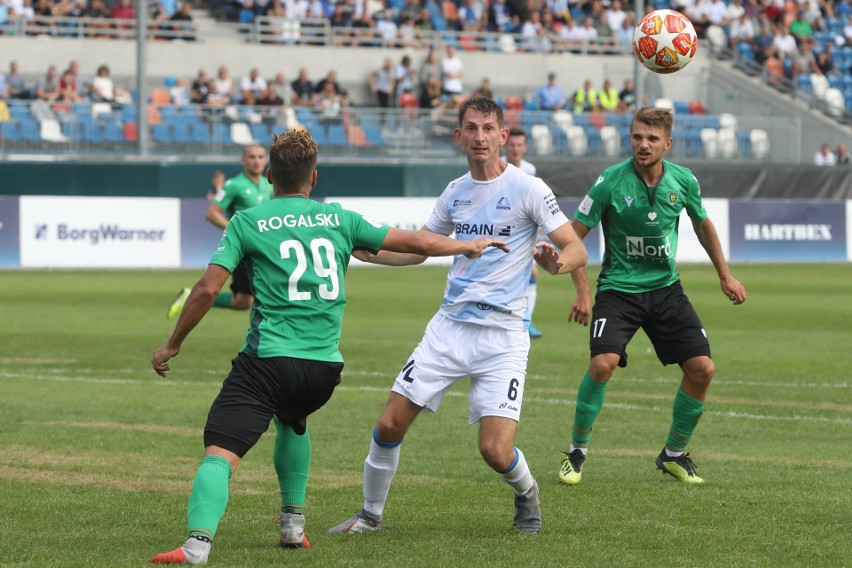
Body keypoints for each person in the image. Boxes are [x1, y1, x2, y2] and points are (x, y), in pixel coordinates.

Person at [148, 129, 508, 566]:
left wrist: (172, 343)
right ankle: (293, 528)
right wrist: (465, 245)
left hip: (269, 361)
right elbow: (415, 241)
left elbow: (207, 289)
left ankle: (196, 546)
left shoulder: (248, 221)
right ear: (314, 178)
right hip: (323, 370)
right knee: (293, 420)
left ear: (271, 177)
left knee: (220, 447)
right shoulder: (339, 218)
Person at [327, 97, 588, 536]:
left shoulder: (528, 188)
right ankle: (370, 516)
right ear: (459, 136)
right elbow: (420, 249)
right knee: (389, 422)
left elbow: (576, 247)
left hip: (503, 336)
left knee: (494, 450)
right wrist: (362, 252)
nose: (480, 137)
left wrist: (556, 265)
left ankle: (527, 494)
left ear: (503, 136)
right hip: (448, 330)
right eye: (472, 128)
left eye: (489, 128)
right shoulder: (455, 191)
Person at [555, 106, 747, 488]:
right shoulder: (610, 181)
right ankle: (576, 453)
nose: (643, 145)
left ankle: (673, 455)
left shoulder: (683, 180)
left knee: (702, 369)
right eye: (637, 137)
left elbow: (702, 223)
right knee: (602, 364)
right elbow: (571, 236)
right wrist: (583, 290)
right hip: (618, 291)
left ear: (668, 143)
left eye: (652, 139)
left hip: (666, 291)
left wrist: (724, 275)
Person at [167, 144, 273, 319]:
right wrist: (239, 232)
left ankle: (189, 296)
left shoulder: (268, 184)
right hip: (244, 248)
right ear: (243, 160)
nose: (257, 161)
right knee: (250, 299)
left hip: (263, 247)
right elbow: (212, 213)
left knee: (244, 302)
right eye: (252, 157)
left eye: (261, 157)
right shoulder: (233, 185)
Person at [502, 126, 544, 339]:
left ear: (525, 147)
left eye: (519, 145)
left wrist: (536, 224)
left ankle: (526, 321)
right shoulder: (497, 167)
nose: (515, 149)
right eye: (512, 145)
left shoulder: (530, 169)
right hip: (502, 231)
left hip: (524, 230)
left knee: (532, 273)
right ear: (505, 146)